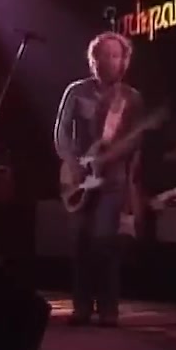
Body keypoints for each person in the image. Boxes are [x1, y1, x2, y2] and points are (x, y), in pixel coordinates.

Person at [54, 31, 144, 327]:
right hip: (78, 179)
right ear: (93, 60)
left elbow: (135, 141)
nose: (110, 61)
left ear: (124, 61)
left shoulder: (131, 98)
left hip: (112, 180)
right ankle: (81, 307)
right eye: (104, 55)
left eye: (116, 55)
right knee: (80, 242)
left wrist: (111, 158)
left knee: (104, 242)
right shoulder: (76, 91)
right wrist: (73, 163)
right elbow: (61, 132)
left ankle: (108, 309)